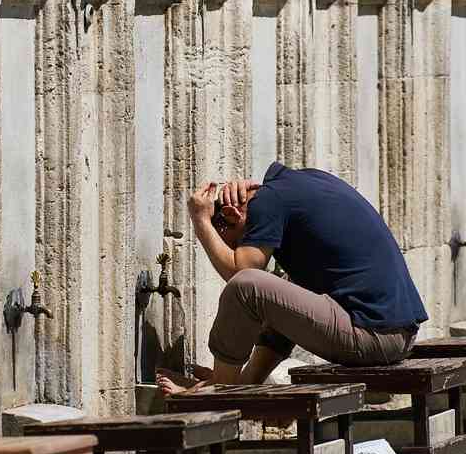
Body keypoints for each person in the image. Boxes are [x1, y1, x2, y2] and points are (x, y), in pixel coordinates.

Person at [158, 161, 428, 396]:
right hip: (396, 335)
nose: (239, 248)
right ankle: (240, 385)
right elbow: (282, 305)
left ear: (231, 214)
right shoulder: (299, 185)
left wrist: (200, 219)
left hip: (373, 335)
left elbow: (240, 274)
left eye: (233, 242)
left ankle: (220, 394)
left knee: (246, 286)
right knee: (282, 287)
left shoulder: (268, 201)